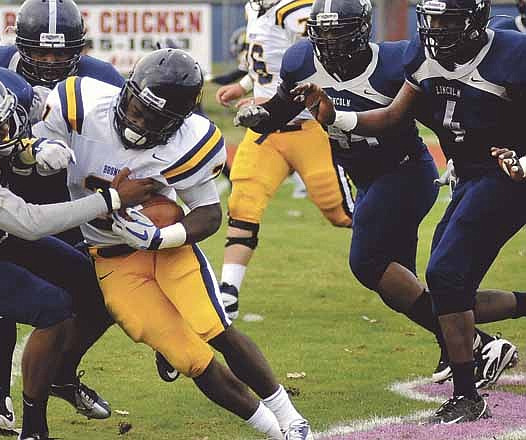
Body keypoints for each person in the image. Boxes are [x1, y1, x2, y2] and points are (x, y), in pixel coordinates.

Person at [235, 0, 518, 389]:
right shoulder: (301, 60)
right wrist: (261, 115)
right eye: (324, 31)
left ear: (363, 29)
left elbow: (435, 109)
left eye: (340, 31)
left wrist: (482, 150)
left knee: (369, 263)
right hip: (365, 175)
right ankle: (468, 345)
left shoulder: (396, 61)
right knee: (415, 288)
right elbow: (284, 107)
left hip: (405, 171)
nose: (331, 42)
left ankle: (474, 349)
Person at [32, 48, 313, 440]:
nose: (136, 121)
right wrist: (41, 149)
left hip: (165, 248)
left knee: (214, 327)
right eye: (135, 107)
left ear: (179, 121)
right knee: (190, 358)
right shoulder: (78, 103)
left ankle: (291, 417)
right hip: (111, 259)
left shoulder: (190, 141)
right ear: (126, 90)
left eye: (153, 118)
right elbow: (32, 141)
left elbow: (209, 214)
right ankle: (273, 430)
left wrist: (162, 236)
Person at [0, 68, 153, 440]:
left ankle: (61, 376)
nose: (6, 131)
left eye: (5, 123)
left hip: (0, 235)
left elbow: (36, 108)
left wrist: (34, 147)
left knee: (99, 291)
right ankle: (34, 426)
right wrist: (111, 199)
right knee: (53, 309)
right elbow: (30, 223)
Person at [0, 0, 123, 431]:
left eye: (60, 52)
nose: (50, 62)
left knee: (100, 297)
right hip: (8, 193)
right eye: (41, 51)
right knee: (2, 294)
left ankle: (63, 375)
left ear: (79, 48)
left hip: (72, 199)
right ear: (20, 44)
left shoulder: (101, 78)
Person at [215, 0, 354, 321]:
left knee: (341, 212)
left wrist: (274, 100)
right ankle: (228, 293)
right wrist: (244, 85)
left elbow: (321, 59)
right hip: (265, 131)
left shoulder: (295, 9)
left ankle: (399, 264)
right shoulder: (255, 9)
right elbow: (266, 64)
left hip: (307, 127)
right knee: (242, 204)